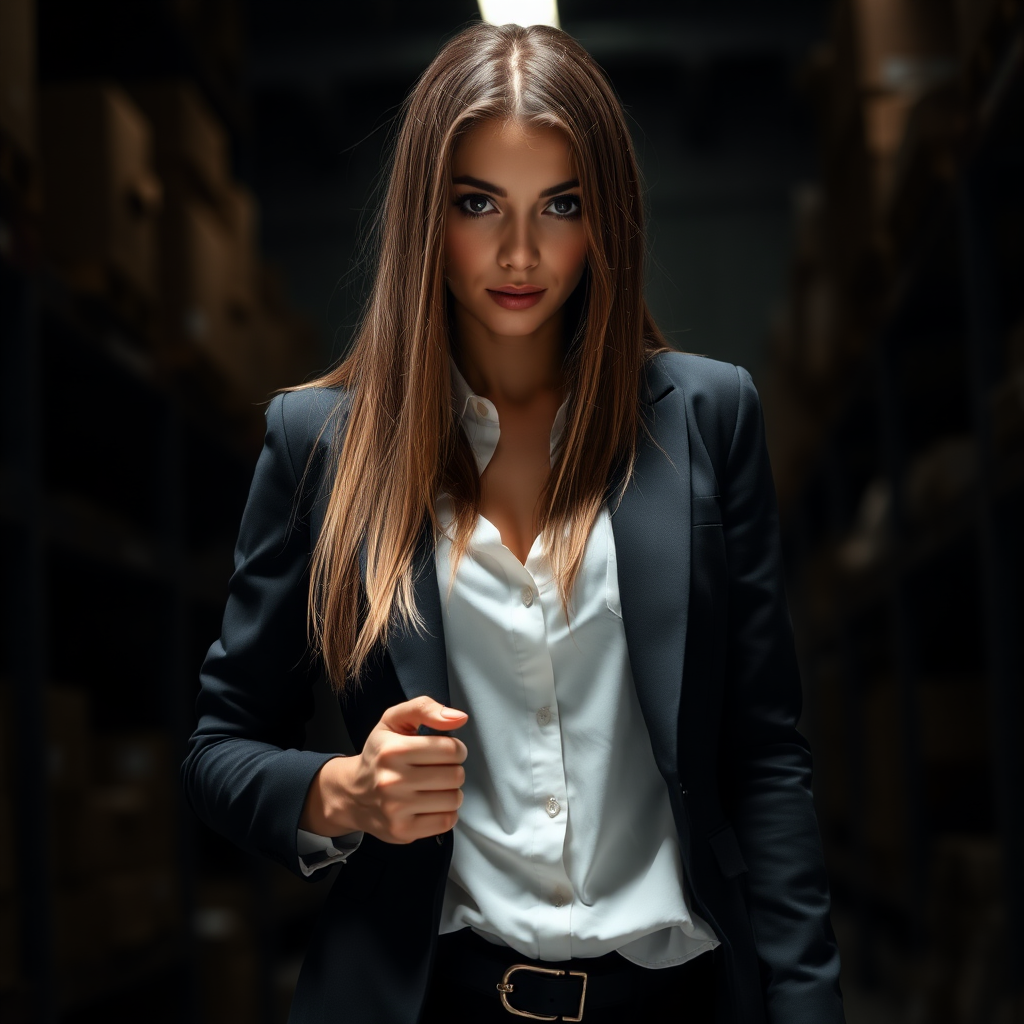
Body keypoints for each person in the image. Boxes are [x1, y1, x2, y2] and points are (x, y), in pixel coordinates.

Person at [182, 21, 846, 1024]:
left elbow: (764, 757)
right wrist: (344, 791)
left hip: (676, 1002)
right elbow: (219, 745)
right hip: (429, 999)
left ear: (606, 218)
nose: (521, 252)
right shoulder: (317, 444)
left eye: (561, 205)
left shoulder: (711, 418)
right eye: (478, 204)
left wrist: (808, 1006)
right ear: (425, 215)